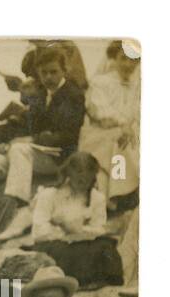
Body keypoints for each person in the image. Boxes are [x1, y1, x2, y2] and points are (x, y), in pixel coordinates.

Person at [0, 46, 86, 245]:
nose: (48, 77)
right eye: (44, 73)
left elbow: (68, 135)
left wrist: (30, 140)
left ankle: (22, 210)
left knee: (19, 149)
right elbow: (32, 125)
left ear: (64, 70)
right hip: (36, 154)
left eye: (53, 71)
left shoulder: (72, 94)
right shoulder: (43, 95)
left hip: (58, 157)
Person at [27, 151, 123, 289]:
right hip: (54, 242)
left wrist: (79, 231)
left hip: (82, 241)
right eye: (78, 174)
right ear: (69, 173)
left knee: (106, 246)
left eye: (88, 176)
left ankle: (97, 281)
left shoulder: (97, 198)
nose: (83, 180)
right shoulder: (49, 194)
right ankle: (79, 281)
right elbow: (38, 231)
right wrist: (63, 232)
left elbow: (98, 227)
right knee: (64, 251)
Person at [81, 41, 140, 210]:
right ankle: (116, 196)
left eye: (133, 59)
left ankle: (129, 191)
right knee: (121, 142)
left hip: (127, 133)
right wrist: (123, 125)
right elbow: (99, 112)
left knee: (128, 140)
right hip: (99, 134)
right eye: (123, 58)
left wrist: (129, 127)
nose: (128, 64)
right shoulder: (100, 82)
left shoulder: (138, 86)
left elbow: (137, 115)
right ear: (114, 58)